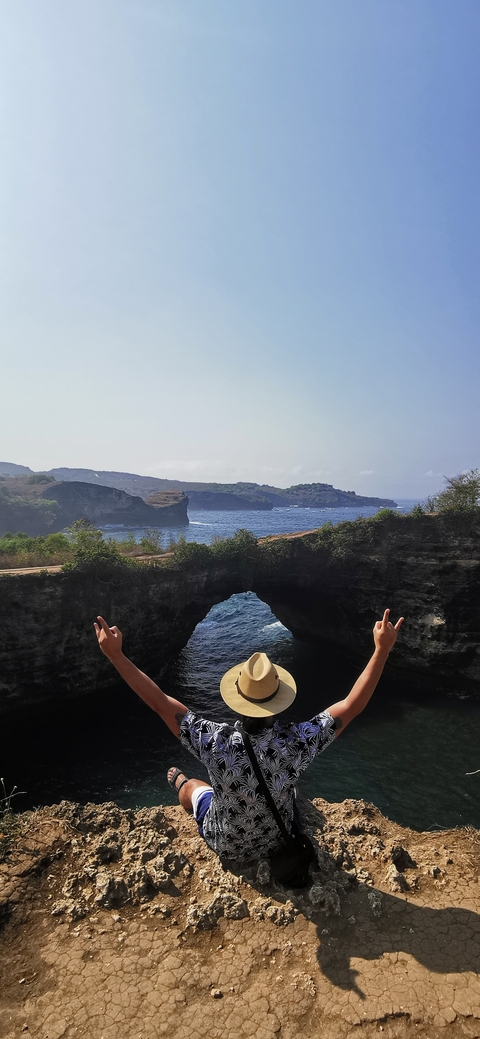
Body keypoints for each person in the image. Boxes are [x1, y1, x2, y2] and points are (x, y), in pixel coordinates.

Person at [94, 608, 403, 863]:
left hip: (225, 844)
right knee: (289, 788)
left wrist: (116, 656)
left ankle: (180, 781)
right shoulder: (297, 743)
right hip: (275, 845)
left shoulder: (213, 741)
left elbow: (159, 702)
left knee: (194, 788)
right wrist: (381, 650)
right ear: (278, 701)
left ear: (237, 700)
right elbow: (351, 706)